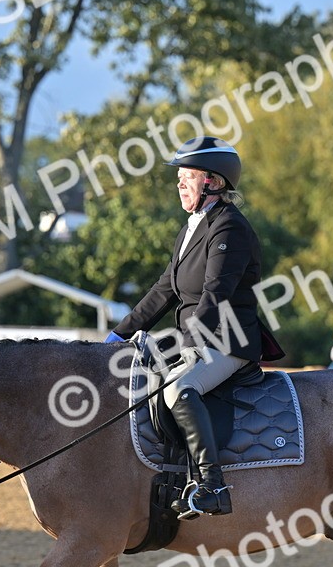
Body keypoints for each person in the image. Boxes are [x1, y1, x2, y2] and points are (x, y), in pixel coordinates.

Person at [107, 137, 285, 520]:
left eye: (187, 176)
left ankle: (212, 486)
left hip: (227, 342)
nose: (179, 184)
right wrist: (117, 336)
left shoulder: (230, 228)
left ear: (213, 183)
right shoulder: (191, 228)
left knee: (179, 389)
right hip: (194, 339)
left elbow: (215, 294)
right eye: (180, 177)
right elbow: (163, 290)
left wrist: (189, 347)